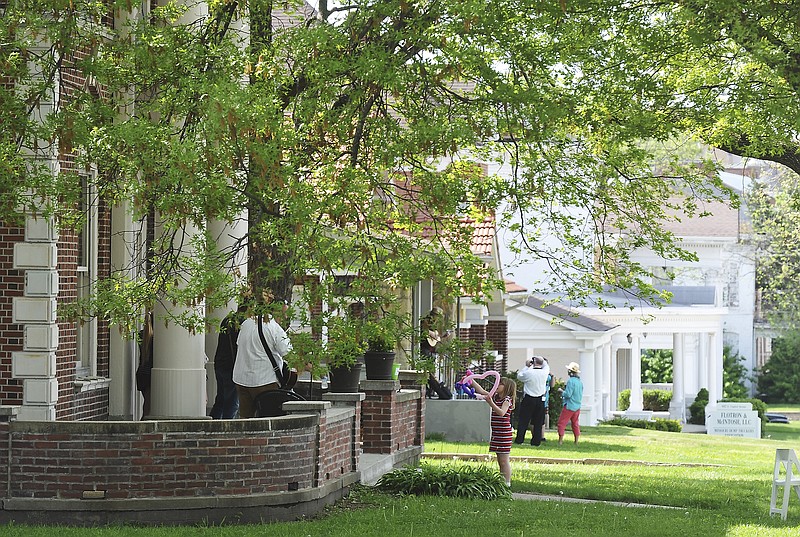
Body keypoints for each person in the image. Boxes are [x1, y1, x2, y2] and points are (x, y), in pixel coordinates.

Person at [232, 310, 293, 419]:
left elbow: (239, 345)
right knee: (268, 419)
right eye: (284, 313)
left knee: (245, 419)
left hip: (242, 379)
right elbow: (288, 353)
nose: (286, 317)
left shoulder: (246, 324)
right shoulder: (274, 328)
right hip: (265, 380)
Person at [472, 376, 517, 487]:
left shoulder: (506, 400)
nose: (496, 385)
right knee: (499, 459)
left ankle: (506, 483)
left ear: (506, 387)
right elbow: (482, 391)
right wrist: (471, 380)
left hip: (504, 434)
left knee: (503, 460)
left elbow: (502, 412)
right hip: (497, 433)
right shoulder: (496, 397)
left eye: (500, 383)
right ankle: (502, 482)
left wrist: (491, 403)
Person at [209, 305, 247, 419]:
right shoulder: (243, 322)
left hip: (220, 362)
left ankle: (213, 425)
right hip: (232, 365)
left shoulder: (227, 319)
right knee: (232, 402)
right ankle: (227, 428)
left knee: (221, 399)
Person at [514, 355, 550, 446]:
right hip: (540, 399)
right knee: (538, 422)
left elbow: (519, 376)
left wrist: (527, 366)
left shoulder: (529, 373)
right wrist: (540, 360)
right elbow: (546, 366)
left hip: (529, 398)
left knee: (523, 420)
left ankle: (520, 439)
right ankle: (536, 441)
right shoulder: (545, 372)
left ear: (533, 363)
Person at [558, 361, 584, 445]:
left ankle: (560, 441)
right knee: (575, 424)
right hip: (577, 406)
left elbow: (568, 394)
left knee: (562, 423)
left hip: (569, 406)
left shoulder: (570, 381)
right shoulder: (580, 382)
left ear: (570, 371)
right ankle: (576, 441)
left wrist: (561, 391)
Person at [135, 311, 154, 419]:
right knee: (149, 406)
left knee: (147, 403)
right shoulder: (156, 339)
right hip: (150, 374)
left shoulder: (142, 335)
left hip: (142, 373)